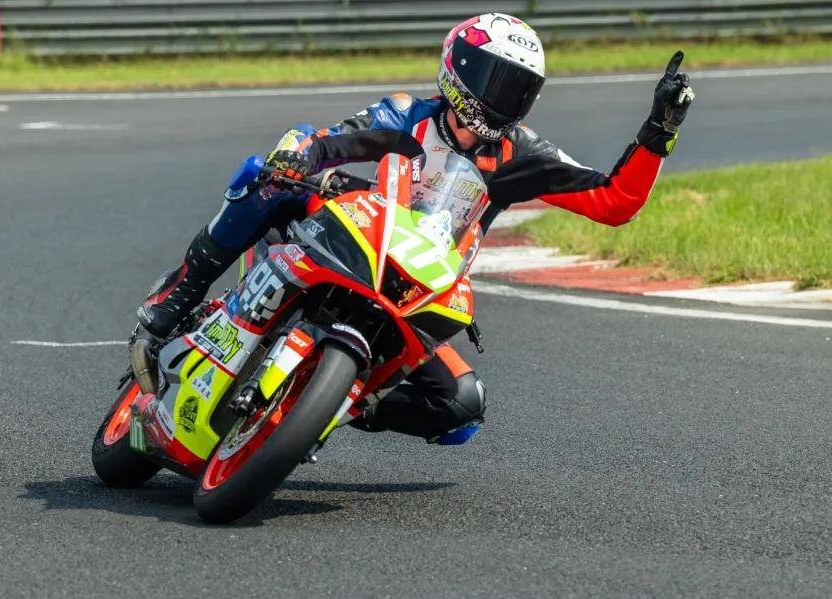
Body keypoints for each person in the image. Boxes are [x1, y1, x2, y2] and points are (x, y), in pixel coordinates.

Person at [135, 13, 695, 443]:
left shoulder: (521, 154)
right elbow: (328, 141)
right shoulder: (407, 114)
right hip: (348, 239)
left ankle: (336, 401)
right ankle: (180, 292)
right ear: (461, 71)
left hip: (414, 288)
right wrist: (299, 155)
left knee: (461, 408)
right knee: (268, 177)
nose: (508, 100)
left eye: (521, 89)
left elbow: (614, 201)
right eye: (499, 82)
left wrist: (659, 131)